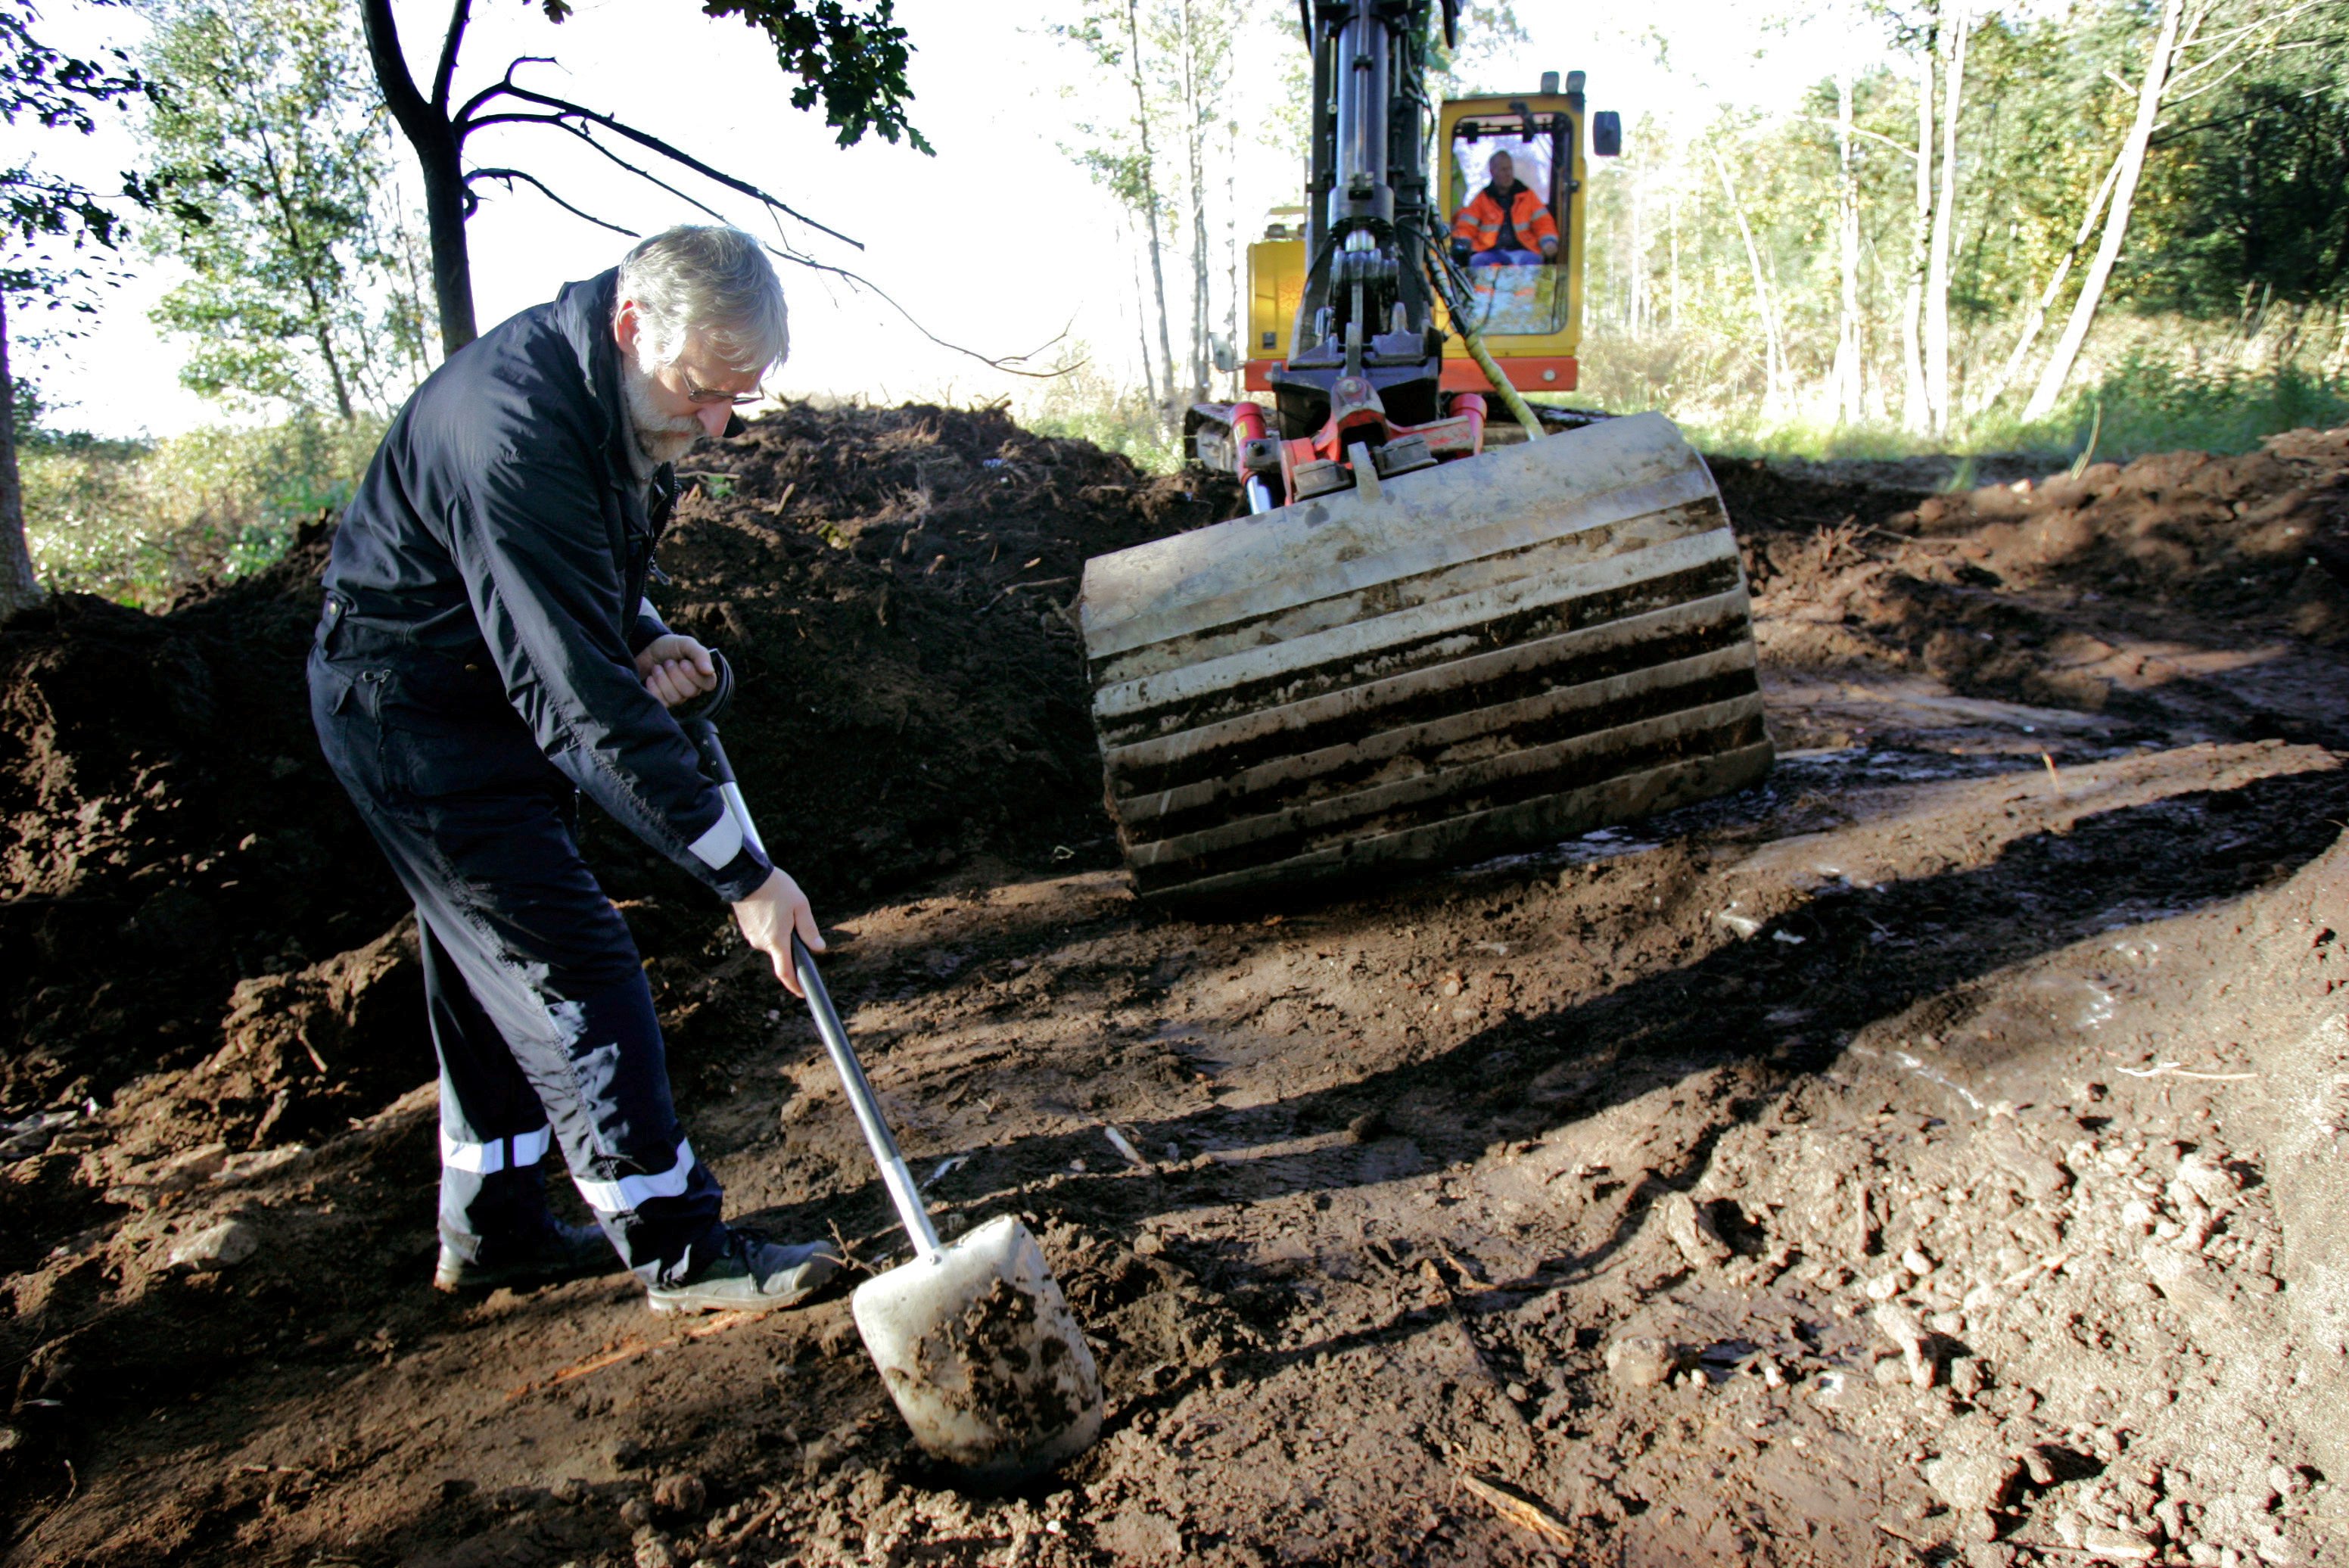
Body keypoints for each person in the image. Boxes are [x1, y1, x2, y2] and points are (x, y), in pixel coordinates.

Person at [308, 225, 840, 1314]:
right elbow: (576, 705)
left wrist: (638, 631)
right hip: (413, 717)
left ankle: (493, 1226)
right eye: (701, 389)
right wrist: (742, 877)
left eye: (738, 397)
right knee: (573, 969)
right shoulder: (513, 427)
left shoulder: (615, 403)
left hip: (473, 694)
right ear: (632, 324)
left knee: (482, 967)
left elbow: (569, 580)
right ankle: (682, 1253)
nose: (715, 422)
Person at [1451, 150, 1560, 268]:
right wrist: (1463, 243)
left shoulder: (1527, 196)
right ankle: (1477, 288)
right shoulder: (1482, 198)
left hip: (1523, 251)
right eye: (1503, 170)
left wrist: (1549, 242)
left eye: (1510, 169)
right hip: (1490, 252)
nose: (1508, 174)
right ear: (1493, 172)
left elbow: (1543, 223)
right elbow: (1466, 226)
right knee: (1476, 262)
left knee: (1534, 262)